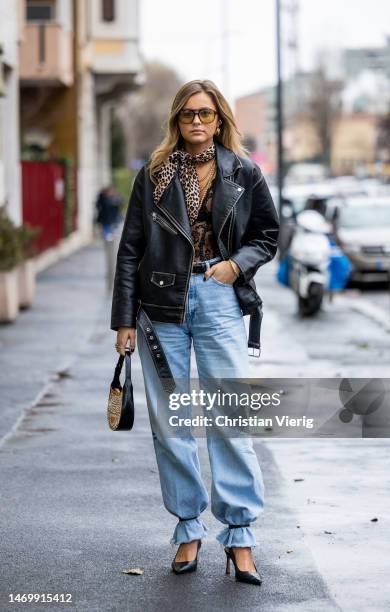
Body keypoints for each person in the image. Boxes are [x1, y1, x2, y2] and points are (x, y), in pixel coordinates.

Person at [110, 79, 279, 585]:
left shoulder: (244, 173)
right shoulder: (154, 175)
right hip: (159, 306)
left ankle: (241, 536)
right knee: (171, 424)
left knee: (230, 418)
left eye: (206, 113)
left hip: (219, 300)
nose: (198, 122)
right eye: (188, 114)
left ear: (220, 119)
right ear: (177, 121)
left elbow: (267, 235)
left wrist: (235, 266)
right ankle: (187, 527)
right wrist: (123, 320)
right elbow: (130, 249)